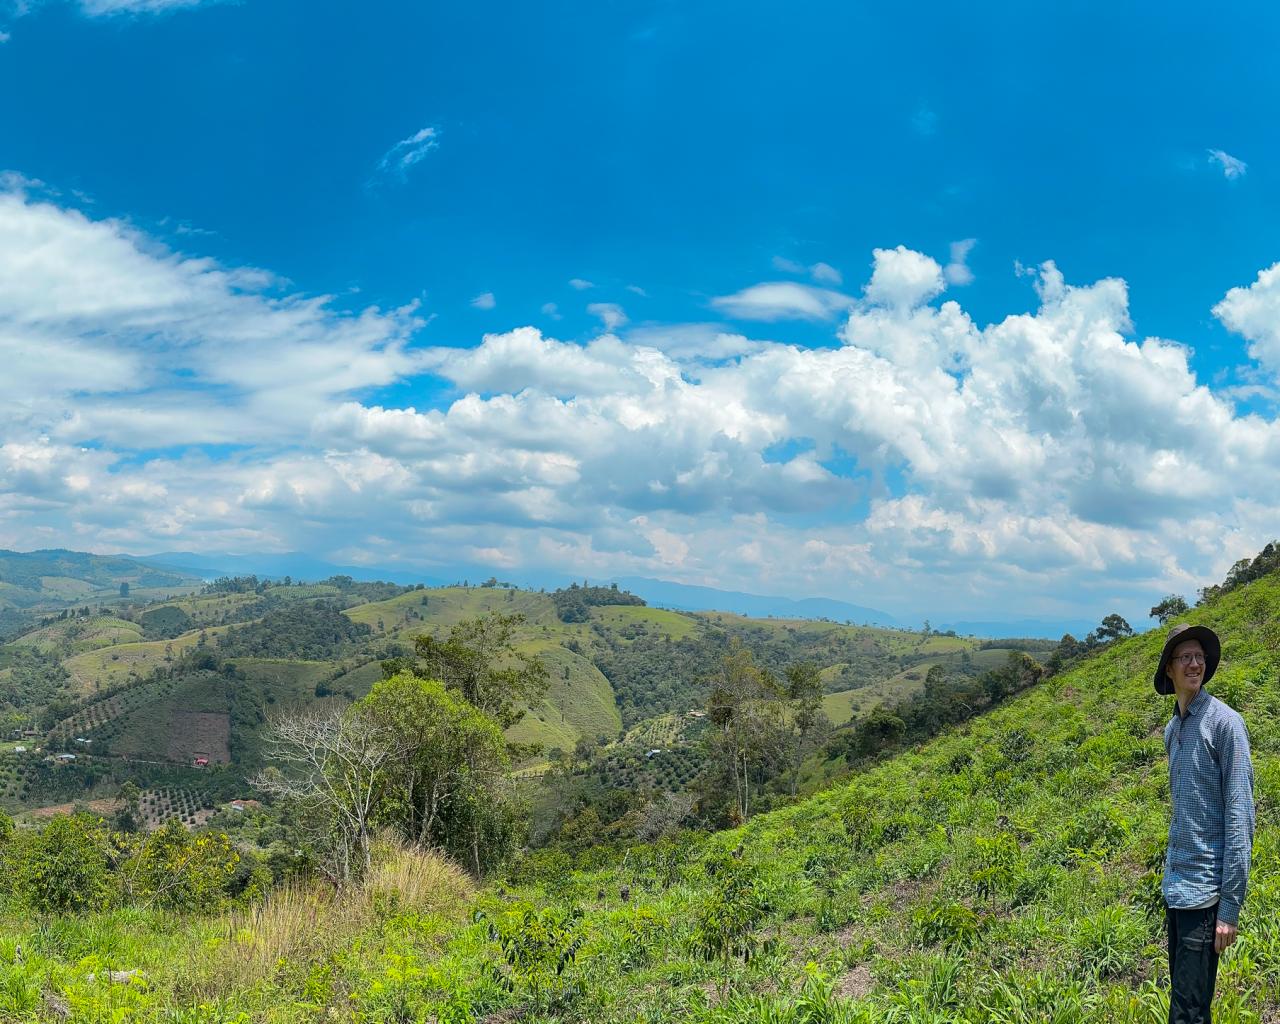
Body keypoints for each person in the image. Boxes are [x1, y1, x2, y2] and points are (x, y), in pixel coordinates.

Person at [1155, 622, 1254, 1024]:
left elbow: (1241, 817)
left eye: (1200, 657)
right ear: (1170, 670)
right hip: (1175, 889)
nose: (1195, 663)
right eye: (1186, 657)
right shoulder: (1171, 730)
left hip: (1205, 896)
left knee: (1187, 1014)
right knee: (1188, 1006)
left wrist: (1229, 908)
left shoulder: (1226, 724)